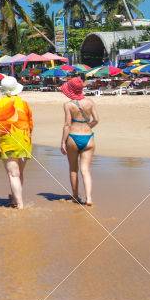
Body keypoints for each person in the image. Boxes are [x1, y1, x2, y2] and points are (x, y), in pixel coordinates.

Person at [0, 75, 33, 209]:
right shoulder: (24, 103)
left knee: (13, 174)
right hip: (24, 140)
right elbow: (30, 123)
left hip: (7, 142)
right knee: (19, 173)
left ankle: (19, 204)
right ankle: (14, 199)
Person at [58, 77, 98, 206]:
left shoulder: (68, 105)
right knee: (85, 170)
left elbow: (67, 125)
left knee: (73, 169)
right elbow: (96, 119)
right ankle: (89, 198)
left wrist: (63, 142)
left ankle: (75, 196)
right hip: (88, 138)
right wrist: (87, 127)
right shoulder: (90, 102)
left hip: (73, 137)